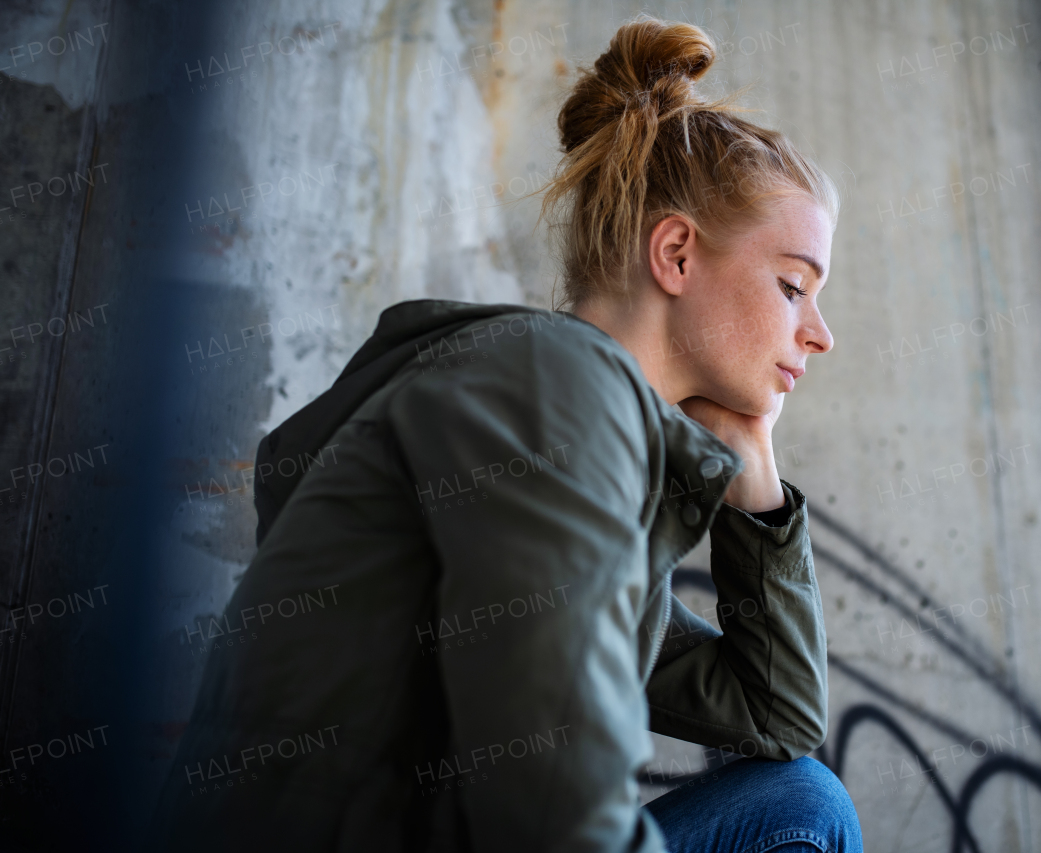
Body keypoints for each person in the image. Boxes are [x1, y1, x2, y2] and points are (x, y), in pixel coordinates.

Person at [148, 15, 860, 853]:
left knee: (799, 799)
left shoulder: (546, 405)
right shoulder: (553, 391)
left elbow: (777, 715)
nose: (820, 332)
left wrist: (754, 475)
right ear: (674, 253)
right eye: (791, 285)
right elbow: (552, 814)